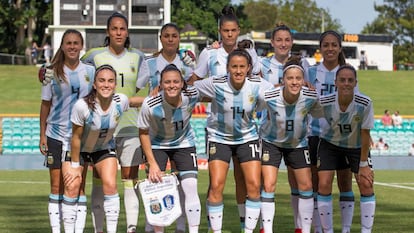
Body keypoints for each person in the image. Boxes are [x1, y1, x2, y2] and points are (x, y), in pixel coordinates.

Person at [189, 6, 261, 232]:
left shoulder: (250, 54)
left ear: (239, 31)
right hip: (218, 129)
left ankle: (244, 225)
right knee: (216, 182)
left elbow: (258, 84)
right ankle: (214, 227)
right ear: (220, 31)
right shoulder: (209, 54)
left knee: (245, 181)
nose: (229, 35)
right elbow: (194, 82)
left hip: (245, 129)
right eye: (225, 31)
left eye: (233, 31)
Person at [194, 49, 272, 233]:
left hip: (248, 138)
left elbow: (280, 94)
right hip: (219, 138)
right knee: (216, 185)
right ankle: (216, 230)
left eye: (242, 67)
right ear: (227, 68)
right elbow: (190, 88)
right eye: (234, 66)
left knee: (253, 185)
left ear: (249, 68)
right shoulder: (215, 83)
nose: (238, 71)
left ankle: (248, 230)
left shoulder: (258, 84)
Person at [80, 12, 146, 233]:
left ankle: (131, 228)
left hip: (129, 126)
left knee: (130, 178)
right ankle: (100, 229)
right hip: (101, 129)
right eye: (114, 29)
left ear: (127, 32)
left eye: (123, 29)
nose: (119, 32)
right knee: (100, 179)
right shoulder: (93, 55)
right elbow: (74, 70)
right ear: (108, 32)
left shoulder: (138, 56)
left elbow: (135, 91)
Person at [61, 64, 142, 233]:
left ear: (115, 84)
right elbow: (75, 138)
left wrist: (161, 98)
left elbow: (135, 101)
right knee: (73, 186)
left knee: (111, 185)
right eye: (102, 81)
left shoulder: (120, 101)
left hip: (103, 148)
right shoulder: (82, 107)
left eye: (110, 81)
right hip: (78, 150)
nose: (106, 85)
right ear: (95, 85)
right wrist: (76, 167)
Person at [136, 22, 196, 233]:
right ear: (160, 39)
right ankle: (150, 228)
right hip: (156, 133)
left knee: (186, 185)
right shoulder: (150, 62)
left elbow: (200, 86)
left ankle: (182, 228)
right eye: (166, 36)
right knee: (156, 188)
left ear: (179, 39)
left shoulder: (188, 61)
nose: (171, 39)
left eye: (174, 36)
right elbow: (136, 90)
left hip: (182, 137)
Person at [39, 29, 95, 233]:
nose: (72, 46)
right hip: (55, 135)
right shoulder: (51, 71)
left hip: (81, 137)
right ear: (62, 46)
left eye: (76, 43)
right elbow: (45, 105)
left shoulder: (90, 72)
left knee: (79, 186)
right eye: (68, 43)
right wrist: (42, 134)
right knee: (57, 187)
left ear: (81, 47)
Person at [259, 57, 322, 233]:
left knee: (306, 186)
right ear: (283, 80)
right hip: (271, 143)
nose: (294, 82)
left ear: (303, 80)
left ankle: (304, 229)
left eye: (298, 78)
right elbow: (252, 106)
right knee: (269, 185)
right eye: (290, 78)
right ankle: (267, 229)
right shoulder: (270, 96)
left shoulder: (310, 96)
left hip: (298, 144)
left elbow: (321, 113)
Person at [258, 23, 309, 233]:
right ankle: (265, 228)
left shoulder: (304, 64)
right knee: (267, 184)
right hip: (270, 132)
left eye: (287, 40)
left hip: (297, 135)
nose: (283, 44)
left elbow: (311, 93)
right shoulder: (261, 64)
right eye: (278, 40)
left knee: (299, 184)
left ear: (292, 42)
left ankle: (301, 227)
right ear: (272, 43)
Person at [304, 30, 354, 233]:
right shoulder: (312, 72)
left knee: (344, 182)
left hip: (343, 136)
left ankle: (346, 229)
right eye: (326, 45)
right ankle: (320, 229)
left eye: (334, 45)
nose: (330, 48)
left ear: (340, 48)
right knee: (318, 184)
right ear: (321, 48)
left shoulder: (347, 72)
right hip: (316, 134)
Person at [317, 65, 376, 233]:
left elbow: (365, 134)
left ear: (355, 83)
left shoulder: (365, 103)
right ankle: (327, 230)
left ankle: (364, 230)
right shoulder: (324, 101)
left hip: (356, 146)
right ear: (335, 82)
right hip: (330, 144)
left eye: (350, 80)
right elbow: (305, 109)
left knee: (366, 183)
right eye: (342, 80)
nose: (346, 84)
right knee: (324, 183)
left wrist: (363, 164)